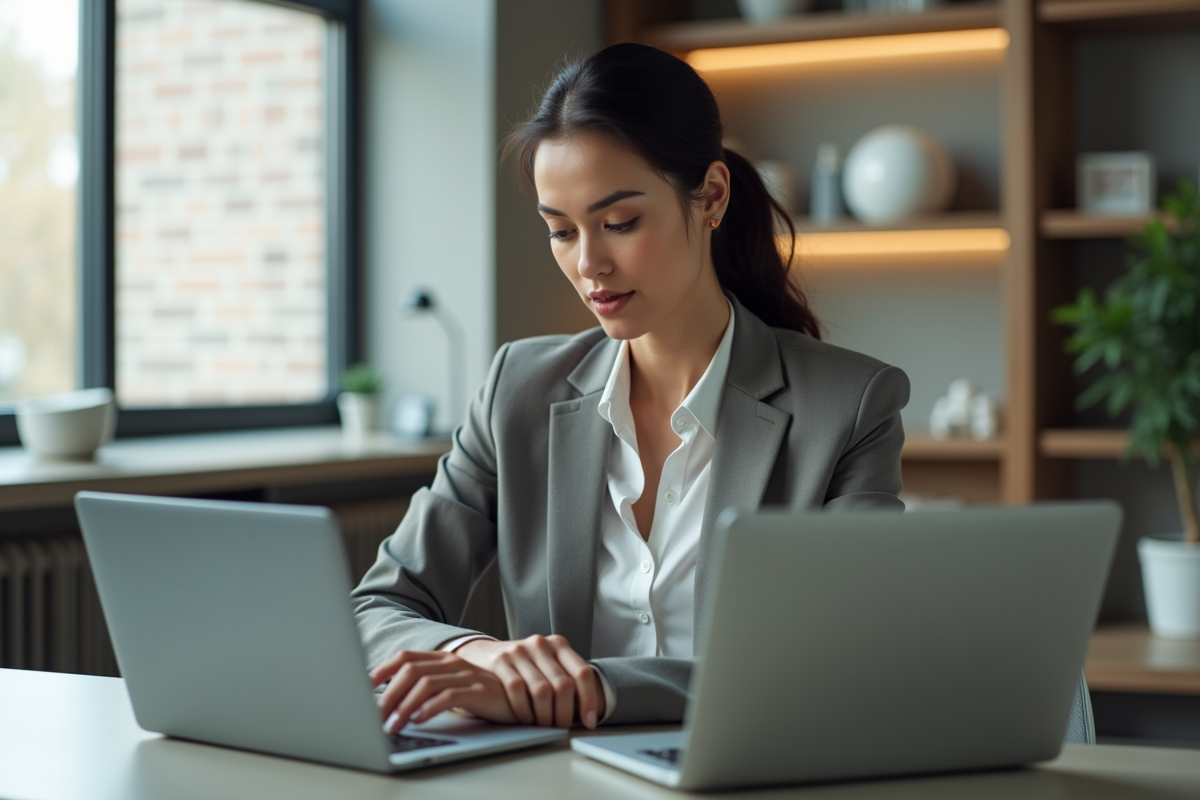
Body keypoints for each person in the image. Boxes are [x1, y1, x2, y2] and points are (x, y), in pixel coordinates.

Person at [352, 42, 909, 735]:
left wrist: (592, 689)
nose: (589, 265)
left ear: (710, 196)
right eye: (560, 231)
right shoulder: (516, 390)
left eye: (620, 223)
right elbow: (375, 608)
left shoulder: (850, 407)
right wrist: (484, 658)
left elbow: (840, 661)